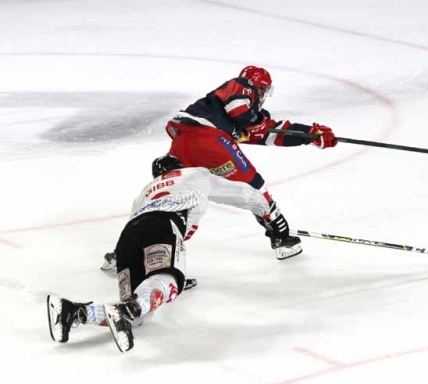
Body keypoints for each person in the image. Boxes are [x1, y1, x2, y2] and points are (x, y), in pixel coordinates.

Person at [47, 155, 274, 353]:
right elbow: (244, 193)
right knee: (168, 281)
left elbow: (138, 232)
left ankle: (75, 312)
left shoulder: (144, 193)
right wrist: (270, 216)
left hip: (127, 237)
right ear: (178, 166)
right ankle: (132, 304)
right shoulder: (194, 173)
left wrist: (115, 258)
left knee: (138, 316)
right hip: (163, 224)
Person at [166, 65, 338, 259]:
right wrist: (257, 124)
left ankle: (164, 258)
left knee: (185, 204)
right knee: (255, 187)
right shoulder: (242, 86)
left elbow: (273, 134)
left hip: (182, 144)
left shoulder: (232, 114)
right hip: (209, 140)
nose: (264, 96)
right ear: (257, 87)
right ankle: (280, 237)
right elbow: (241, 112)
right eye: (263, 90)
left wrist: (311, 135)